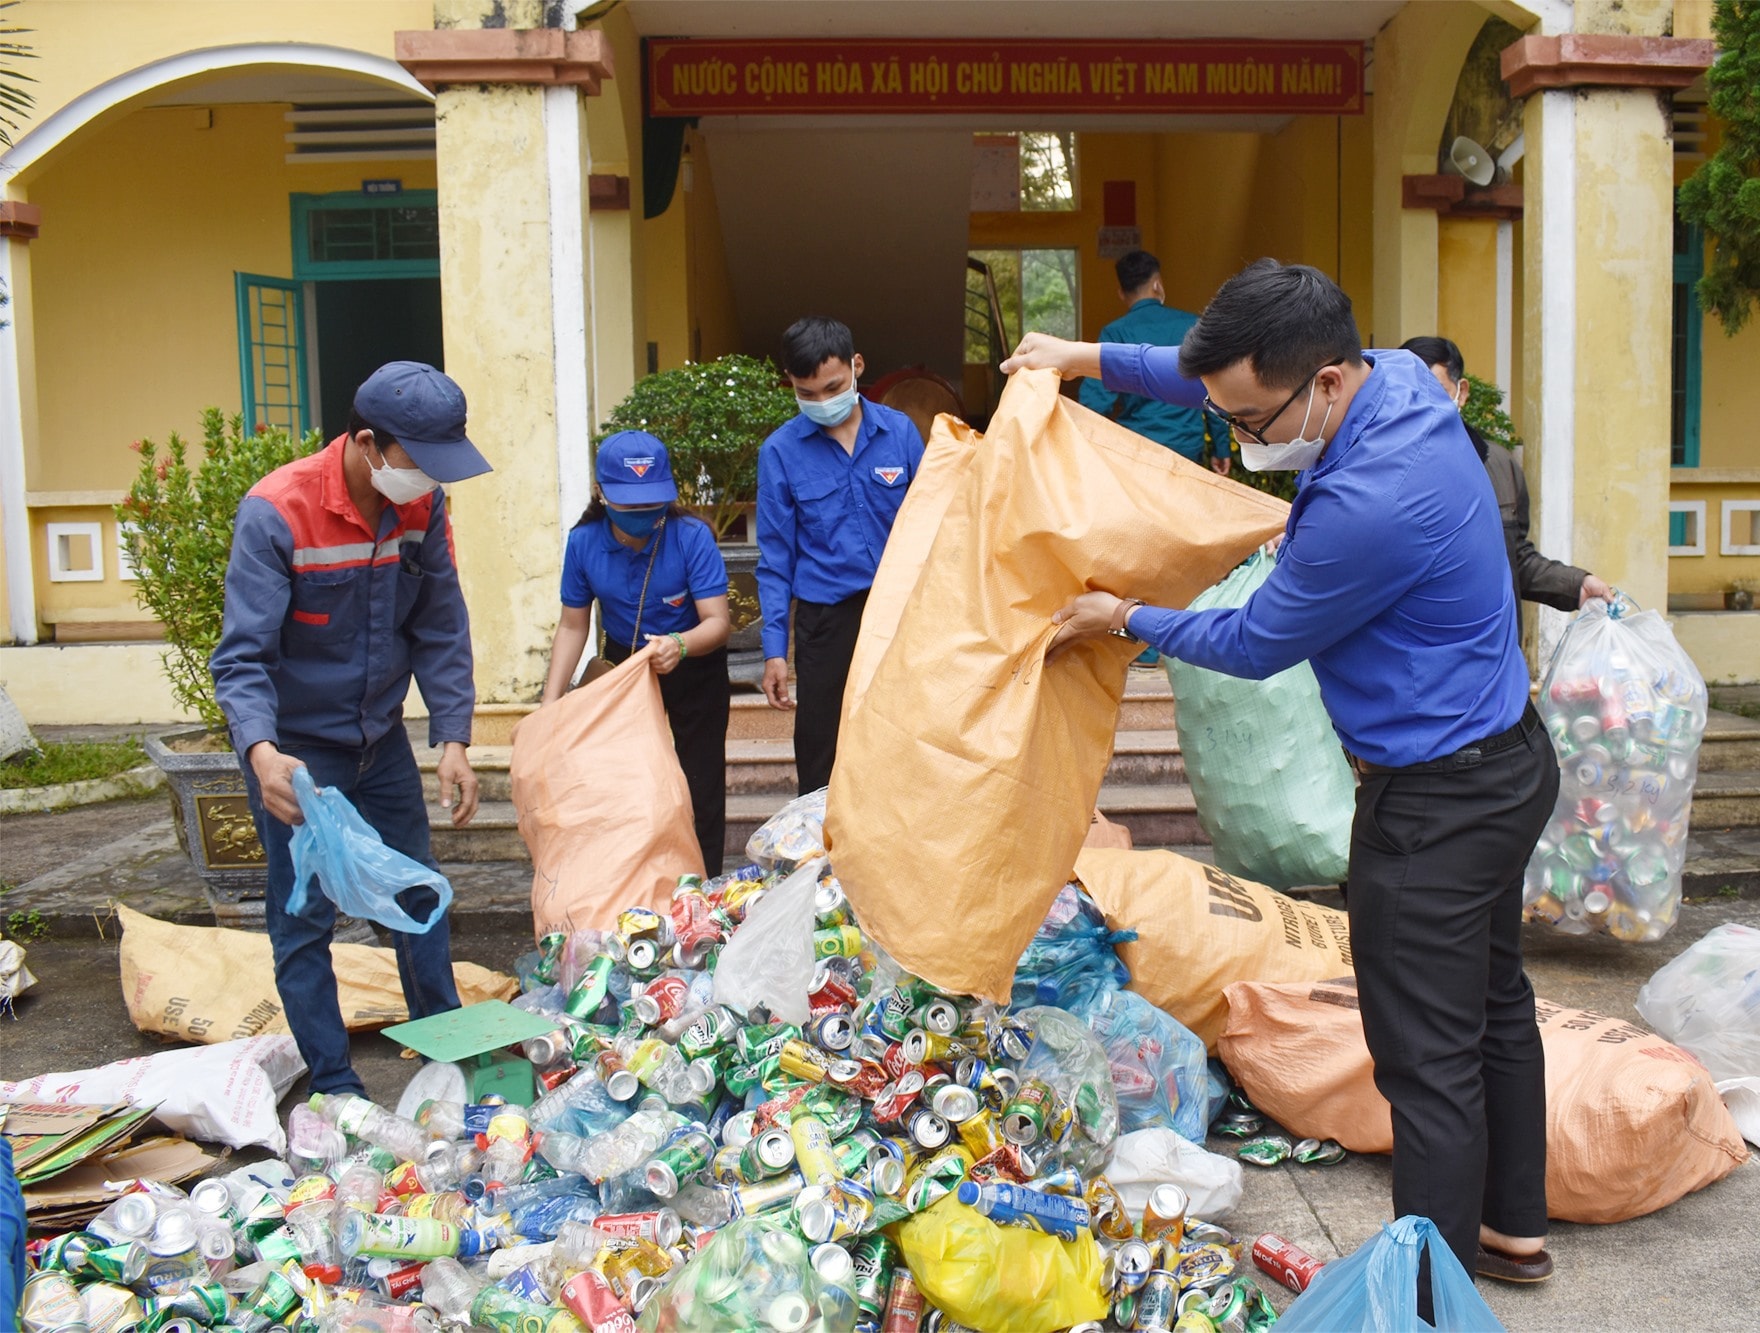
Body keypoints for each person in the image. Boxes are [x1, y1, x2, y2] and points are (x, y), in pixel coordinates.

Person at [1002, 260, 1559, 1298]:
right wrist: (1078, 354)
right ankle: (1512, 1229)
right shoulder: (1392, 377)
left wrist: (1123, 615)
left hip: (1434, 800)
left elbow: (1257, 640)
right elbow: (1203, 374)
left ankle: (1425, 1301)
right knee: (1491, 1000)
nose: (1244, 438)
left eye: (1253, 421)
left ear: (1326, 384)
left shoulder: (1366, 502)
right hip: (1509, 760)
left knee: (1422, 1058)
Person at [212, 361, 490, 1097]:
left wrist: (453, 737)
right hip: (298, 755)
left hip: (381, 742)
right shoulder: (277, 511)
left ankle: (449, 1055)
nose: (431, 481)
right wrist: (262, 754)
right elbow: (241, 658)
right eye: (420, 464)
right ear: (368, 443)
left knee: (419, 897)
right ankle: (336, 1087)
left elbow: (439, 624)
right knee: (304, 917)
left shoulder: (421, 512)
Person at [540, 431, 732, 873]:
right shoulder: (584, 543)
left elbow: (717, 623)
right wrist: (550, 703)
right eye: (631, 506)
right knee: (627, 781)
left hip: (693, 660)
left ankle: (703, 891)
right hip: (626, 667)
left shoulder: (691, 537)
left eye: (653, 504)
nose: (644, 516)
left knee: (698, 783)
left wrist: (680, 645)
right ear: (601, 494)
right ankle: (632, 882)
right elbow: (573, 625)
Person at [756, 317, 925, 795]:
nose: (822, 401)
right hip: (827, 620)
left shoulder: (900, 433)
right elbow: (774, 559)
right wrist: (774, 652)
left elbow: (935, 524)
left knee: (905, 733)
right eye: (806, 393)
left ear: (857, 366)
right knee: (822, 746)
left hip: (900, 612)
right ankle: (823, 857)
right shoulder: (780, 452)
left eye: (832, 387)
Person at [1401, 336, 1613, 616]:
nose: (1424, 406)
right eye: (1412, 395)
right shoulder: (1381, 475)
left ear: (1461, 392)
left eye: (1436, 391)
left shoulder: (1501, 466)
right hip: (1421, 648)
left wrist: (1576, 585)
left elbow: (1516, 559)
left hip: (1496, 648)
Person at [1079, 250, 1233, 476]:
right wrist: (1221, 447)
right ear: (1157, 285)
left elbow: (1094, 402)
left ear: (1122, 293)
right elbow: (1214, 391)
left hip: (1137, 449)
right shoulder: (1192, 325)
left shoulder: (1115, 333)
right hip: (1186, 448)